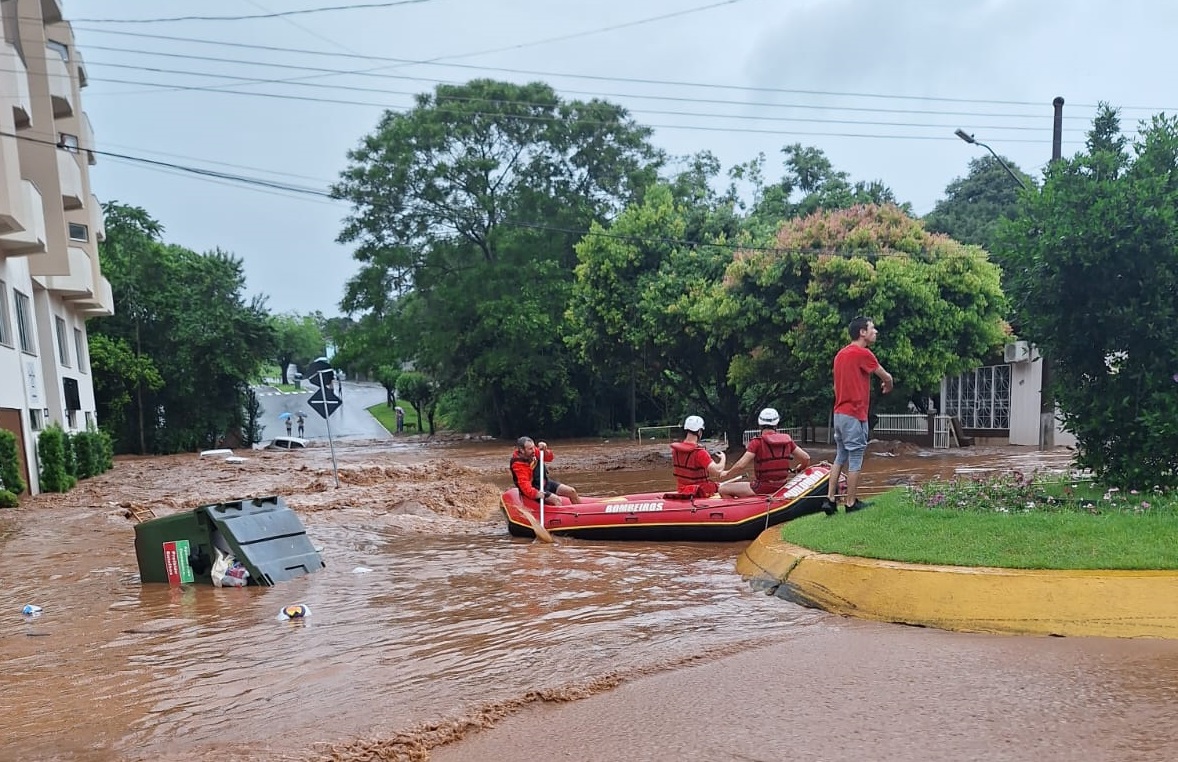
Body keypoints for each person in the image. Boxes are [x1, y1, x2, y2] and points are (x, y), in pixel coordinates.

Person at [823, 316, 893, 515]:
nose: (876, 331)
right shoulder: (863, 353)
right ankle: (851, 503)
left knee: (840, 456)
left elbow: (836, 386)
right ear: (862, 332)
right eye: (872, 328)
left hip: (839, 413)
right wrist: (889, 384)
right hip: (854, 414)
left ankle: (829, 500)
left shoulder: (840, 355)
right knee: (855, 457)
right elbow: (885, 376)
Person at [719, 407, 811, 498]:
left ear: (760, 424)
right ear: (776, 424)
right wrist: (799, 468)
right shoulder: (788, 441)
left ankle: (743, 511)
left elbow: (741, 465)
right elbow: (806, 458)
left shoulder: (757, 442)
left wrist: (727, 473)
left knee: (723, 489)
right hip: (782, 485)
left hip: (762, 487)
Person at [509, 437, 581, 505]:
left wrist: (545, 450)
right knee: (556, 500)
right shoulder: (518, 465)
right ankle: (558, 517)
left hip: (545, 483)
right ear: (522, 450)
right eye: (530, 449)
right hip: (535, 488)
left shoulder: (533, 452)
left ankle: (581, 513)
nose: (534, 450)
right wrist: (536, 494)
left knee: (572, 491)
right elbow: (525, 486)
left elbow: (549, 458)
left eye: (534, 447)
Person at [670, 415, 726, 498]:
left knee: (717, 485)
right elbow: (717, 471)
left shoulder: (675, 451)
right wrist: (723, 458)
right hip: (699, 493)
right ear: (699, 432)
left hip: (682, 491)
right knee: (726, 488)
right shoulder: (700, 452)